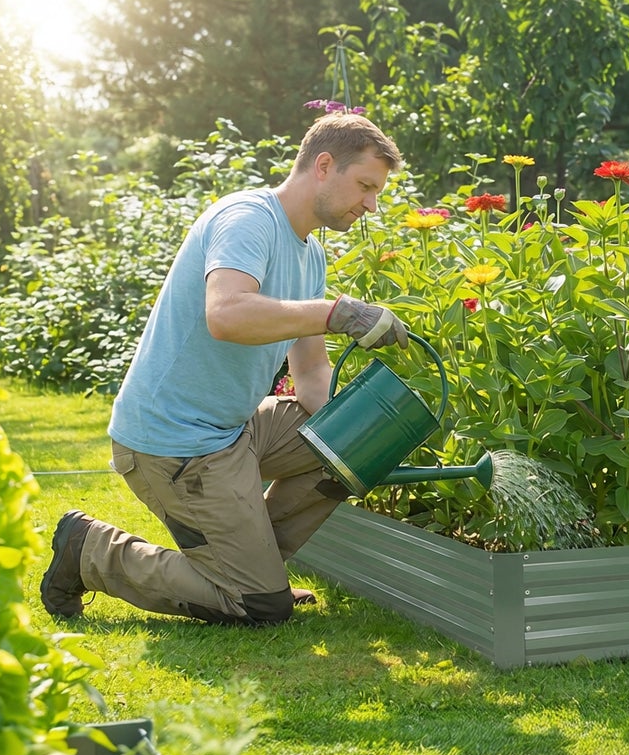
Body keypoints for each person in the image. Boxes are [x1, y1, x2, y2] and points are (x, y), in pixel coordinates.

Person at [40, 111, 409, 627]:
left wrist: (363, 442)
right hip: (173, 443)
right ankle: (91, 551)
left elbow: (310, 377)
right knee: (259, 607)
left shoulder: (312, 256)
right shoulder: (248, 219)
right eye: (365, 185)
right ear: (323, 165)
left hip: (231, 429)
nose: (371, 204)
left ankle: (253, 568)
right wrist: (336, 312)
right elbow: (227, 314)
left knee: (355, 437)